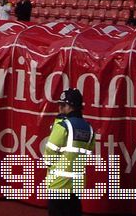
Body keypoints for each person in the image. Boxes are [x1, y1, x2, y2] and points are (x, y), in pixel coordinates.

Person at [43, 88, 94, 216]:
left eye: (63, 105)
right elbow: (88, 151)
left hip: (58, 185)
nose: (60, 108)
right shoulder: (89, 128)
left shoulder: (62, 125)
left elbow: (49, 151)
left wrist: (51, 166)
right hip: (76, 185)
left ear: (72, 106)